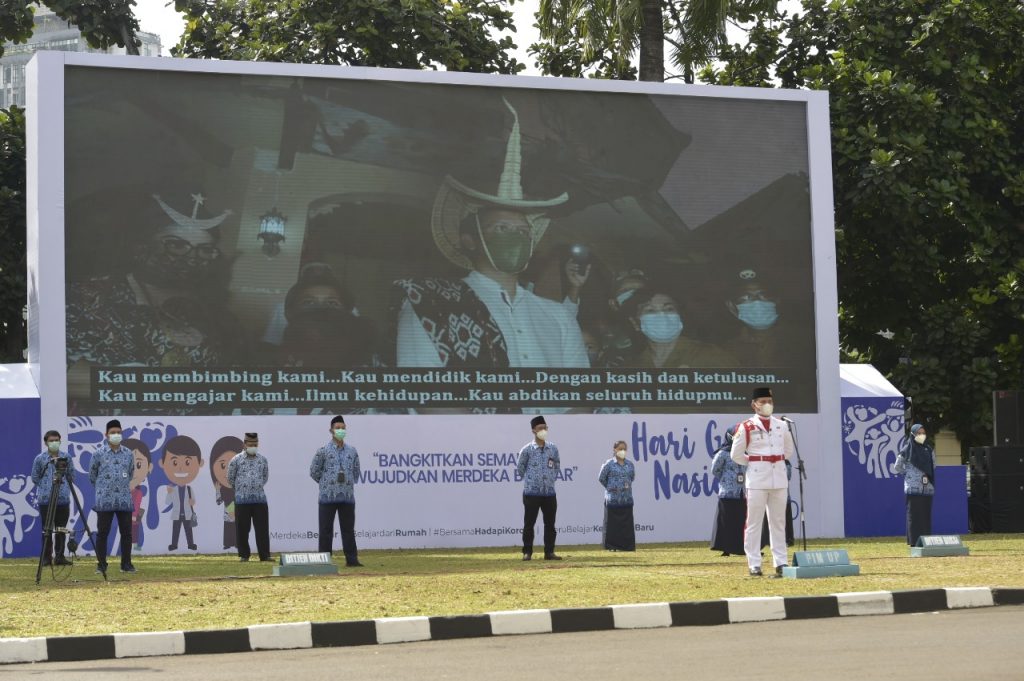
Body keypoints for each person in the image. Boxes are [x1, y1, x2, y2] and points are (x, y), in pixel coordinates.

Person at [396, 98, 589, 381]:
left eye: (524, 232)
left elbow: (581, 395)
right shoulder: (429, 305)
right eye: (502, 229)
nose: (517, 237)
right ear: (470, 240)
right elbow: (426, 396)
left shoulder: (557, 316)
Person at [730, 387, 794, 577]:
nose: (767, 405)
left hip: (779, 478)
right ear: (754, 405)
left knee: (778, 522)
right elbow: (736, 455)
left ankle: (781, 562)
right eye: (762, 401)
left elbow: (788, 450)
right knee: (754, 522)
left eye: (769, 401)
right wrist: (754, 462)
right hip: (757, 479)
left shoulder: (781, 426)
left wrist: (775, 460)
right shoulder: (747, 426)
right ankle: (754, 563)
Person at [624, 287, 737, 369]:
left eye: (669, 309)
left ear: (680, 316)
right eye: (650, 310)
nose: (662, 315)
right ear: (635, 322)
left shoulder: (711, 356)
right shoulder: (633, 367)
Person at [309, 415, 363, 567]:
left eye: (343, 428)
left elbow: (356, 471)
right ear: (331, 430)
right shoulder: (323, 451)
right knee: (326, 530)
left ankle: (352, 560)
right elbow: (314, 471)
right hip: (327, 497)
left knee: (348, 530)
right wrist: (326, 483)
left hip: (347, 497)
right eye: (337, 428)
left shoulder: (352, 451)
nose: (340, 430)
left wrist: (347, 483)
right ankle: (324, 561)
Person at [89, 420, 136, 574]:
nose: (116, 435)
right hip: (104, 500)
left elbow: (130, 474)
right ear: (106, 435)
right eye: (112, 432)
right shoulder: (98, 454)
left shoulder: (129, 454)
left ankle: (126, 564)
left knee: (127, 533)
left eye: (118, 432)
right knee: (102, 533)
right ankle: (101, 565)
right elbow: (92, 475)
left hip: (124, 499)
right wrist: (104, 488)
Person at [516, 416, 562, 560]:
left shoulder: (552, 448)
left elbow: (556, 466)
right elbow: (520, 468)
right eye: (540, 428)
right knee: (529, 524)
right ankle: (527, 552)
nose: (543, 430)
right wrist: (532, 480)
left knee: (550, 524)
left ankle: (549, 552)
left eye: (545, 427)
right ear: (533, 431)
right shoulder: (527, 450)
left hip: (549, 492)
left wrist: (549, 480)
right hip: (531, 492)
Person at [30, 430, 73, 566]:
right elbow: (35, 477)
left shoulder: (66, 457)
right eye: (51, 440)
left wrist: (64, 485)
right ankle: (46, 558)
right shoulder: (40, 458)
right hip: (45, 500)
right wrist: (45, 486)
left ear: (60, 441)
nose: (54, 443)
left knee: (61, 529)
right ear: (46, 442)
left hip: (63, 499)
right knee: (47, 530)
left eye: (56, 440)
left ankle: (59, 557)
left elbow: (71, 475)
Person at [227, 432, 271, 562]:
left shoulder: (263, 459)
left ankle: (265, 555)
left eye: (255, 444)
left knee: (262, 528)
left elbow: (265, 477)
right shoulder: (236, 460)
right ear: (244, 444)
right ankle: (244, 555)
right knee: (242, 529)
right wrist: (242, 489)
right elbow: (230, 478)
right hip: (242, 500)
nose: (253, 446)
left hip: (260, 500)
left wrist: (255, 487)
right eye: (251, 444)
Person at [892, 423, 936, 546]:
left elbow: (934, 465)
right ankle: (914, 541)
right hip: (913, 488)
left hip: (927, 488)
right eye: (919, 433)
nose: (922, 435)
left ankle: (926, 541)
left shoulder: (928, 449)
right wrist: (908, 474)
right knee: (914, 515)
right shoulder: (906, 449)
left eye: (923, 433)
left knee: (925, 516)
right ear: (913, 434)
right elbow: (897, 466)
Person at [161, 435, 202, 551]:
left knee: (189, 530)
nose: (180, 468)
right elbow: (168, 502)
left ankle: (191, 544)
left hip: (188, 513)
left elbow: (193, 501)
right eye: (175, 463)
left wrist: (192, 502)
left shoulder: (189, 489)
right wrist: (168, 493)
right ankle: (174, 545)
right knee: (176, 530)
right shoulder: (173, 489)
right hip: (177, 513)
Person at [710, 425, 746, 557]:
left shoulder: (744, 452)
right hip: (727, 492)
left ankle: (743, 548)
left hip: (742, 492)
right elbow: (715, 470)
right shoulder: (723, 453)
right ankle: (726, 548)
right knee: (727, 520)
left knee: (742, 521)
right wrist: (726, 480)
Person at [598, 440, 636, 551]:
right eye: (620, 449)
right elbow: (601, 478)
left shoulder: (630, 464)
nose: (622, 451)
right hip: (613, 500)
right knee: (612, 526)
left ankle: (627, 546)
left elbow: (632, 478)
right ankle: (611, 547)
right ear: (615, 450)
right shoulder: (609, 464)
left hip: (626, 499)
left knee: (626, 526)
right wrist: (611, 488)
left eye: (624, 449)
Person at [210, 436, 242, 550]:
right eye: (223, 465)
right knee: (228, 527)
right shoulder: (223, 489)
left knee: (238, 527)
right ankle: (228, 543)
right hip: (228, 514)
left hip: (239, 512)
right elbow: (219, 501)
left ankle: (238, 543)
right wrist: (218, 490)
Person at [123, 438, 153, 552]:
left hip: (134, 515)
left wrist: (135, 515)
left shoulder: (138, 492)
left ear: (149, 467)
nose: (133, 471)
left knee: (134, 529)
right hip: (124, 513)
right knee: (125, 529)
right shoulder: (121, 491)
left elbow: (138, 504)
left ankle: (134, 545)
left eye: (138, 465)